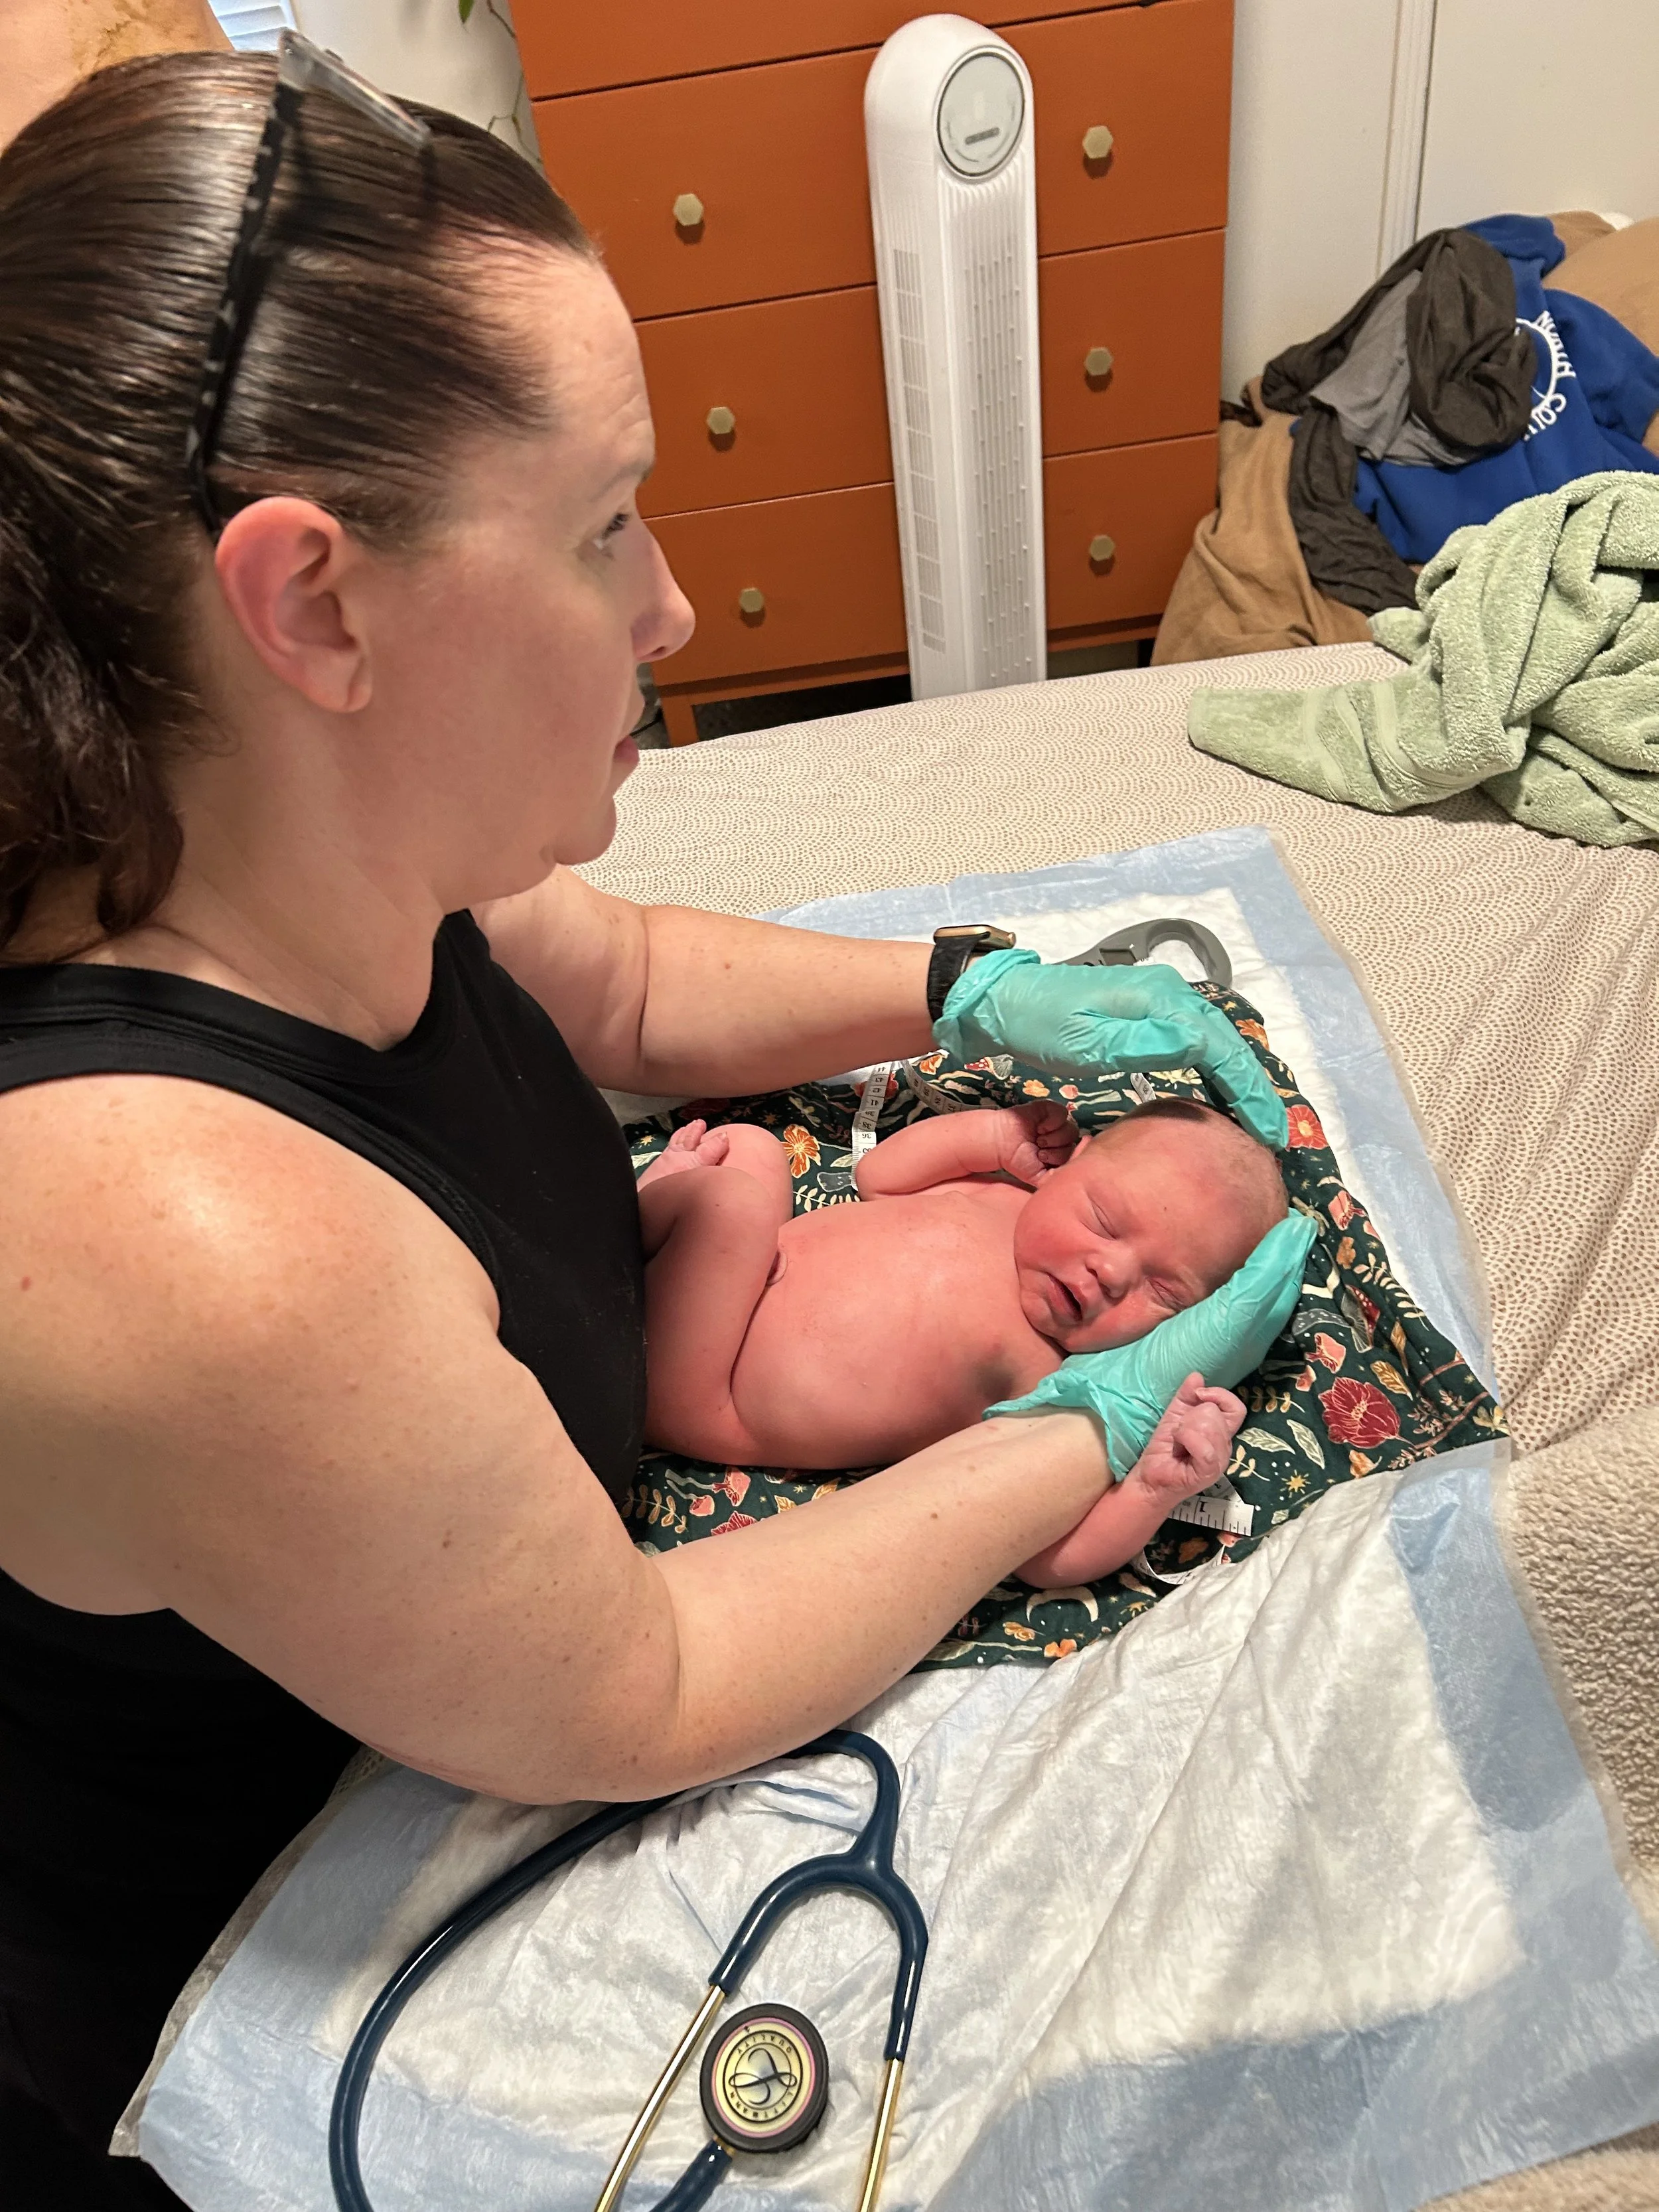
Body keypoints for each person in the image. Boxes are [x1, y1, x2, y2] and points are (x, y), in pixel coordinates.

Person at [0, 50, 1308, 2208]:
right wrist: (1081, 1428)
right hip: (253, 1958)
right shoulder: (197, 1247)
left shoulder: (268, 811)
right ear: (313, 604)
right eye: (602, 527)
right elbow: (642, 1677)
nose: (674, 612)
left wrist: (975, 979)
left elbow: (611, 982)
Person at [638, 1097, 1285, 1583]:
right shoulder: (997, 1196)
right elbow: (880, 1176)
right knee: (747, 1147)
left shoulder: (1051, 1377)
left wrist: (1152, 1488)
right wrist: (994, 1136)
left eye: (1165, 1291)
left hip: (704, 1392)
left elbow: (1042, 1556)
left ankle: (639, 1233)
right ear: (1066, 1168)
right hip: (724, 1285)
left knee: (731, 1207)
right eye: (1104, 1220)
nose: (1111, 1274)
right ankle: (641, 1238)